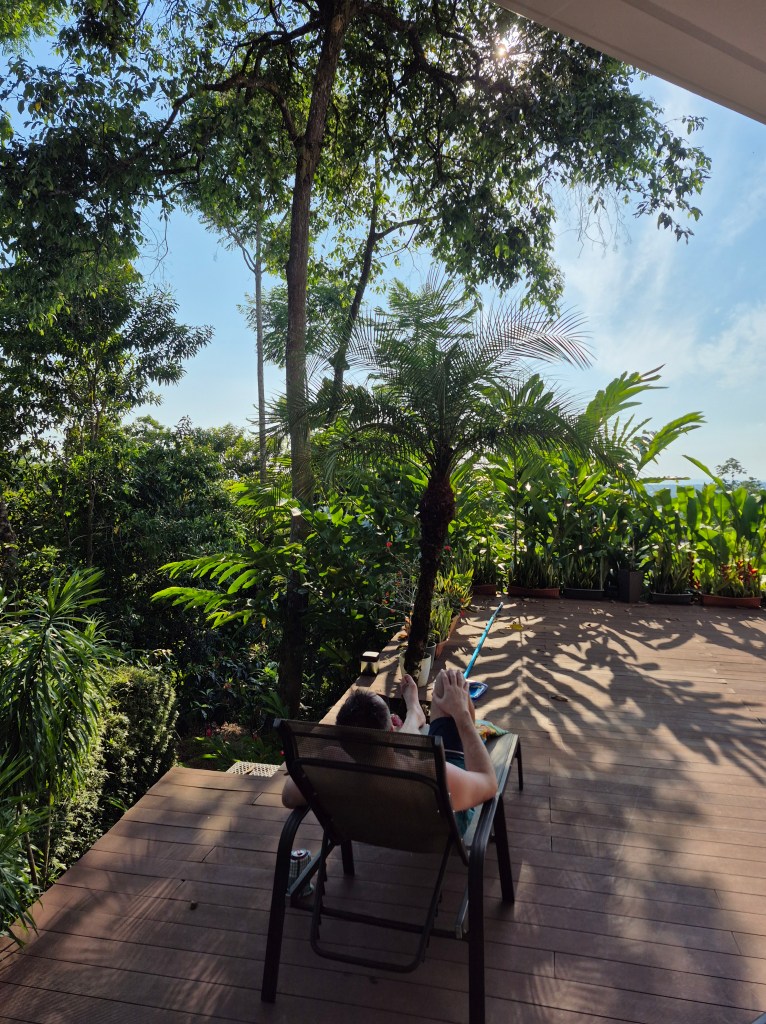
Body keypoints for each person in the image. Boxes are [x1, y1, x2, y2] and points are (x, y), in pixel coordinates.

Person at [282, 668, 497, 828]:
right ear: (393, 733)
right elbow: (488, 782)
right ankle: (414, 713)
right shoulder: (430, 774)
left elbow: (289, 797)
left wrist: (328, 760)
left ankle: (414, 713)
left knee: (440, 687)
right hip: (443, 822)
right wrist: (462, 715)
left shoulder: (335, 767)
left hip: (380, 822)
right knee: (447, 680)